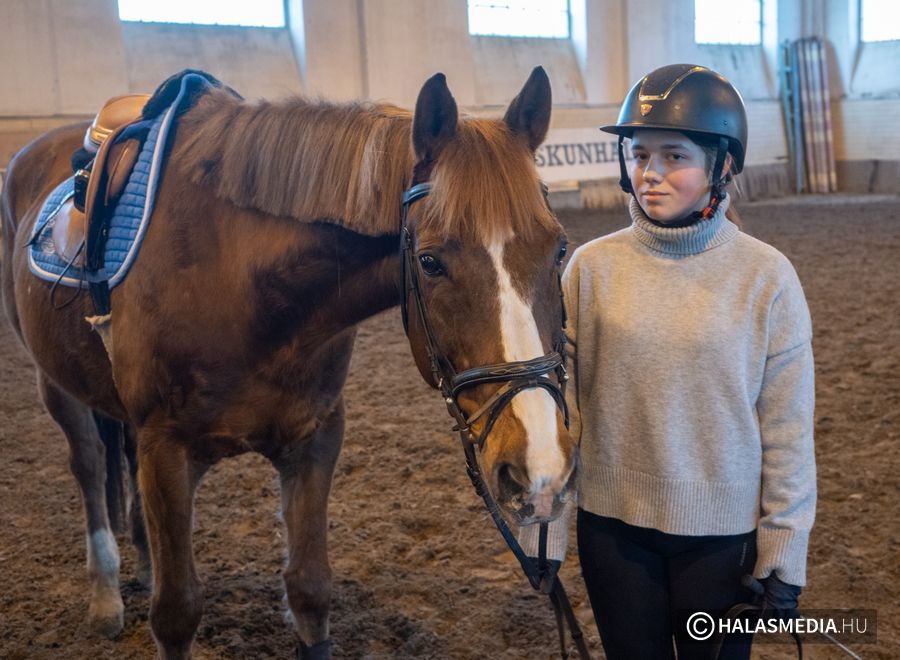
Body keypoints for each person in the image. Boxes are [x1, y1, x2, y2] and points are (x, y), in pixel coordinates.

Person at [521, 64, 816, 659]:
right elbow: (561, 411)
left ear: (721, 165)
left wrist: (785, 550)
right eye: (639, 155)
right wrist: (543, 526)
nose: (650, 173)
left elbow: (787, 428)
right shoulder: (590, 268)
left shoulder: (767, 277)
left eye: (673, 156)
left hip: (722, 540)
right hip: (613, 533)